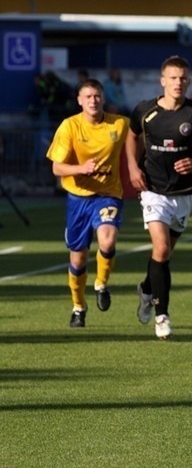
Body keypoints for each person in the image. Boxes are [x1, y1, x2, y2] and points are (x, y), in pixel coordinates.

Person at [125, 55, 192, 339]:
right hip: (153, 190)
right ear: (163, 80)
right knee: (162, 249)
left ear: (188, 82)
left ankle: (146, 289)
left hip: (184, 192)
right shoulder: (145, 111)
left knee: (162, 255)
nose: (178, 83)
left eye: (183, 78)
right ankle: (162, 316)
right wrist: (132, 167)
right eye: (173, 77)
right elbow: (131, 137)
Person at [45, 78, 130, 328]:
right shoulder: (70, 126)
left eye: (97, 96)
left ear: (103, 99)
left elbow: (141, 134)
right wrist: (81, 168)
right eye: (88, 96)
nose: (93, 100)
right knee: (78, 259)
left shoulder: (120, 124)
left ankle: (101, 283)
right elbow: (56, 167)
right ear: (79, 100)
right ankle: (79, 307)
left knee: (108, 238)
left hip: (108, 194)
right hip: (77, 198)